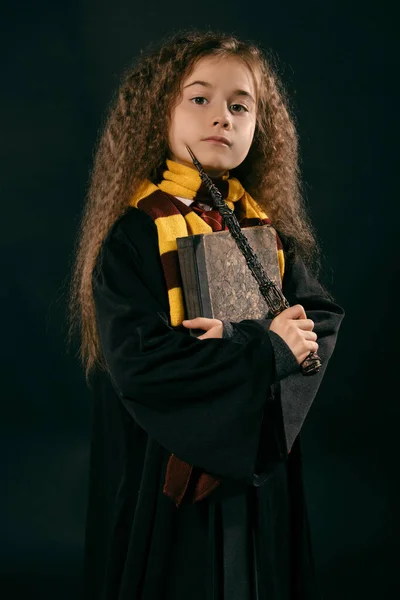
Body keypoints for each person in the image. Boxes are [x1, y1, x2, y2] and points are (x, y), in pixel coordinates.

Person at [67, 30, 345, 600]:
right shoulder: (135, 234)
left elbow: (317, 319)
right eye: (199, 98)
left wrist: (245, 344)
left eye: (240, 105)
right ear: (158, 112)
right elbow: (140, 365)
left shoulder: (262, 227)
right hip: (164, 470)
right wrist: (263, 349)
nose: (222, 116)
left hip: (253, 464)